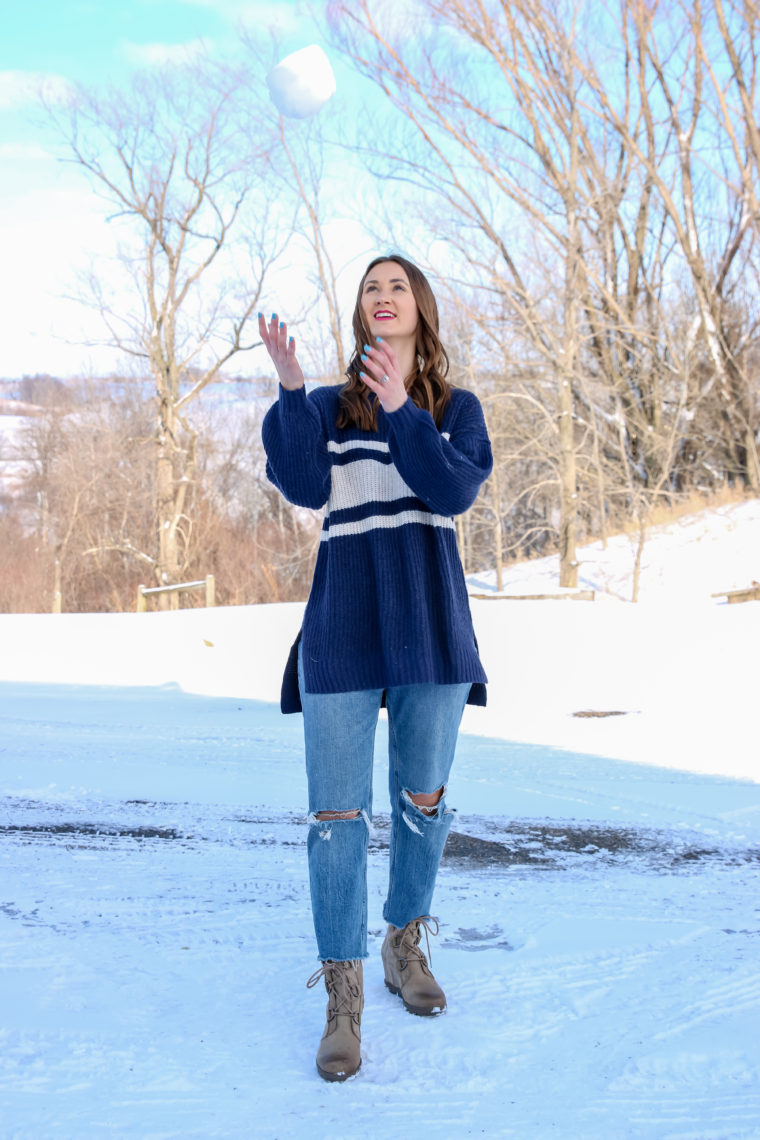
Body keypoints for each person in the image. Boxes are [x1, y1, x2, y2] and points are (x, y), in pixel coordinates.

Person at [259, 254, 493, 1082]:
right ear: (360, 315)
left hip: (430, 625)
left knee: (423, 800)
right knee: (336, 818)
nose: (383, 296)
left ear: (420, 309)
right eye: (371, 288)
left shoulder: (457, 410)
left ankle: (402, 944)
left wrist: (402, 410)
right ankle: (343, 995)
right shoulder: (328, 406)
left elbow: (451, 491)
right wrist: (291, 392)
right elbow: (298, 483)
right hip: (345, 625)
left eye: (397, 286)